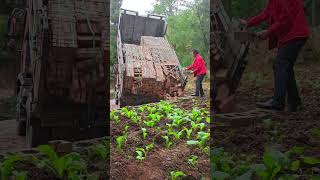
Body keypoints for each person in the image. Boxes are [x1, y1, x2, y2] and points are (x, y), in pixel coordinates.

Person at [240, 0, 309, 112]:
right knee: (286, 67)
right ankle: (294, 102)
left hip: (295, 34)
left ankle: (278, 102)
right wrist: (248, 23)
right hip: (290, 36)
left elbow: (286, 19)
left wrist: (268, 31)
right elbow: (265, 14)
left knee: (280, 65)